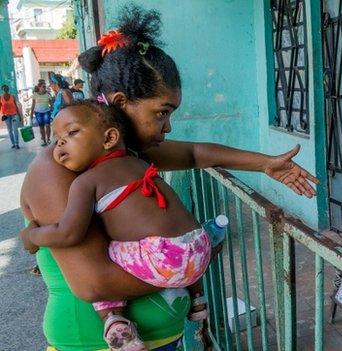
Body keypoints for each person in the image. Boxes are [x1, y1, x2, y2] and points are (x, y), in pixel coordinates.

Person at [20, 5, 318, 351]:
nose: (168, 126)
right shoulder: (57, 167)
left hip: (163, 339)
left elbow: (195, 154)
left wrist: (266, 163)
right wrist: (187, 261)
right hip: (90, 344)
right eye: (161, 113)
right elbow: (93, 283)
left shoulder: (117, 155)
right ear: (121, 103)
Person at [24, 100, 218, 350]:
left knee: (108, 253)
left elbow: (68, 234)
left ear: (110, 138)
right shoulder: (140, 163)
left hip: (167, 262)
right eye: (56, 137)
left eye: (71, 133)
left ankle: (114, 320)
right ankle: (198, 299)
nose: (60, 143)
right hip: (198, 249)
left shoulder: (86, 182)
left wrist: (34, 236)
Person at [1, 84, 23, 149]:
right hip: (6, 116)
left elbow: (16, 106)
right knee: (9, 130)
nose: (6, 89)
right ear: (2, 90)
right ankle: (13, 143)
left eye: (7, 88)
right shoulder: (1, 98)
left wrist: (19, 116)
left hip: (14, 115)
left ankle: (17, 144)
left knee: (15, 129)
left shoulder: (12, 96)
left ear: (8, 89)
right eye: (4, 88)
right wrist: (2, 115)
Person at [31, 81, 53, 146]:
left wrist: (52, 109)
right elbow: (33, 105)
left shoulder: (48, 95)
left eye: (45, 87)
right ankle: (44, 140)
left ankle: (48, 139)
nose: (44, 88)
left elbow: (51, 104)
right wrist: (31, 114)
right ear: (39, 87)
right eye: (43, 87)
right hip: (38, 113)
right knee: (41, 127)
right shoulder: (35, 95)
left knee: (48, 125)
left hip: (47, 112)